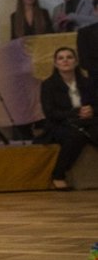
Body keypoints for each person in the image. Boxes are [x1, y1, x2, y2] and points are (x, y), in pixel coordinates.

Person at [41, 47, 98, 190]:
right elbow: (50, 113)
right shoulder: (48, 85)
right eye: (61, 58)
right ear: (55, 63)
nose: (65, 61)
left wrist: (92, 110)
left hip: (87, 121)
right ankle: (58, 175)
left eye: (69, 57)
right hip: (60, 124)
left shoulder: (88, 82)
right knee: (76, 136)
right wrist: (75, 113)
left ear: (76, 62)